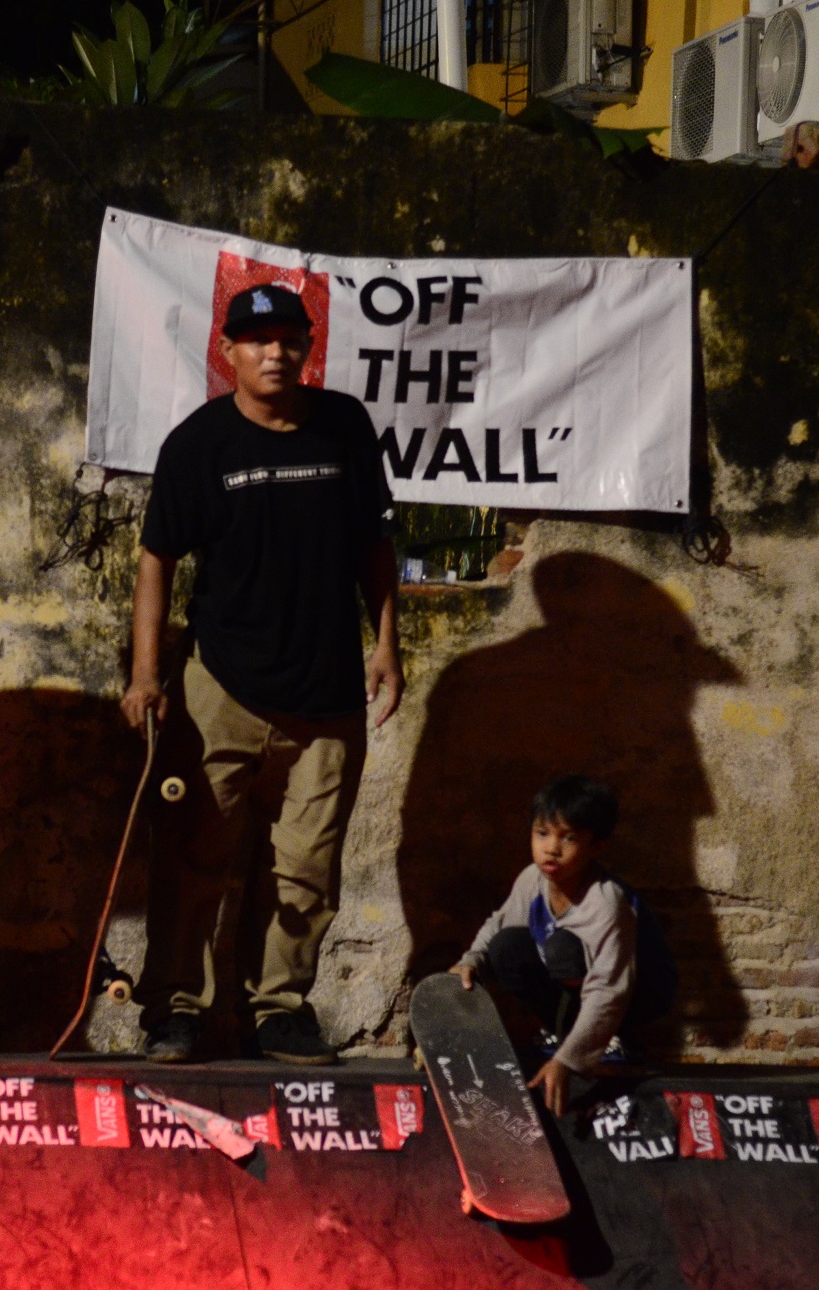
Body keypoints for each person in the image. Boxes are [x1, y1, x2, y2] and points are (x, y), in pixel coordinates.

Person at [122, 282, 403, 1066]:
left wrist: (387, 644)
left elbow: (375, 544)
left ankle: (279, 1010)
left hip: (329, 692)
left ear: (307, 348)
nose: (274, 353)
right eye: (257, 340)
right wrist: (146, 676)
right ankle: (173, 1011)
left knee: (308, 871)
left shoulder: (344, 425)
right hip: (221, 685)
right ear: (228, 353)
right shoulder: (198, 444)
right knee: (194, 859)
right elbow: (156, 560)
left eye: (288, 339)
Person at [451, 773, 638, 1115]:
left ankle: (608, 1042)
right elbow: (499, 923)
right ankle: (560, 1031)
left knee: (562, 946)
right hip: (570, 996)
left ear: (597, 847)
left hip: (620, 1004)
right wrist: (470, 961)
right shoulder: (533, 878)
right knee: (506, 945)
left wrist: (568, 1061)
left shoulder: (605, 903)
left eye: (569, 838)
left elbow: (609, 990)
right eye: (542, 834)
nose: (551, 848)